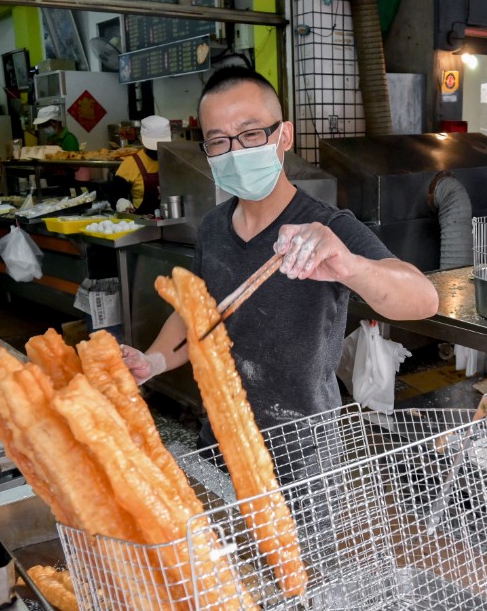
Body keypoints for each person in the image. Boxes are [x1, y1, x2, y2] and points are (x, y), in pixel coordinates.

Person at [121, 67, 439, 449]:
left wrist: (351, 266)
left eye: (251, 133)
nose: (235, 151)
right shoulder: (212, 228)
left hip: (306, 452)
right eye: (218, 141)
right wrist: (153, 361)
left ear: (283, 136)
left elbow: (423, 299)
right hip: (223, 439)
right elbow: (198, 316)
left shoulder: (326, 227)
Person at [109, 115, 171, 215]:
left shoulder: (174, 160)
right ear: (141, 139)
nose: (156, 150)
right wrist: (121, 203)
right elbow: (115, 196)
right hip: (143, 224)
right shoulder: (130, 164)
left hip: (173, 221)